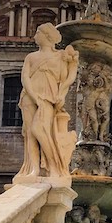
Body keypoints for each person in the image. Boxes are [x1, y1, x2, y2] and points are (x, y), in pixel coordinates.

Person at [14, 23, 79, 182]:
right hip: (29, 97)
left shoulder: (60, 56)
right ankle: (34, 170)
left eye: (38, 33)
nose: (35, 36)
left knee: (41, 130)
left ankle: (54, 167)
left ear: (47, 37)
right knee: (30, 133)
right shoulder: (31, 57)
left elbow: (70, 77)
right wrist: (34, 96)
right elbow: (25, 78)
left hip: (49, 96)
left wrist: (62, 90)